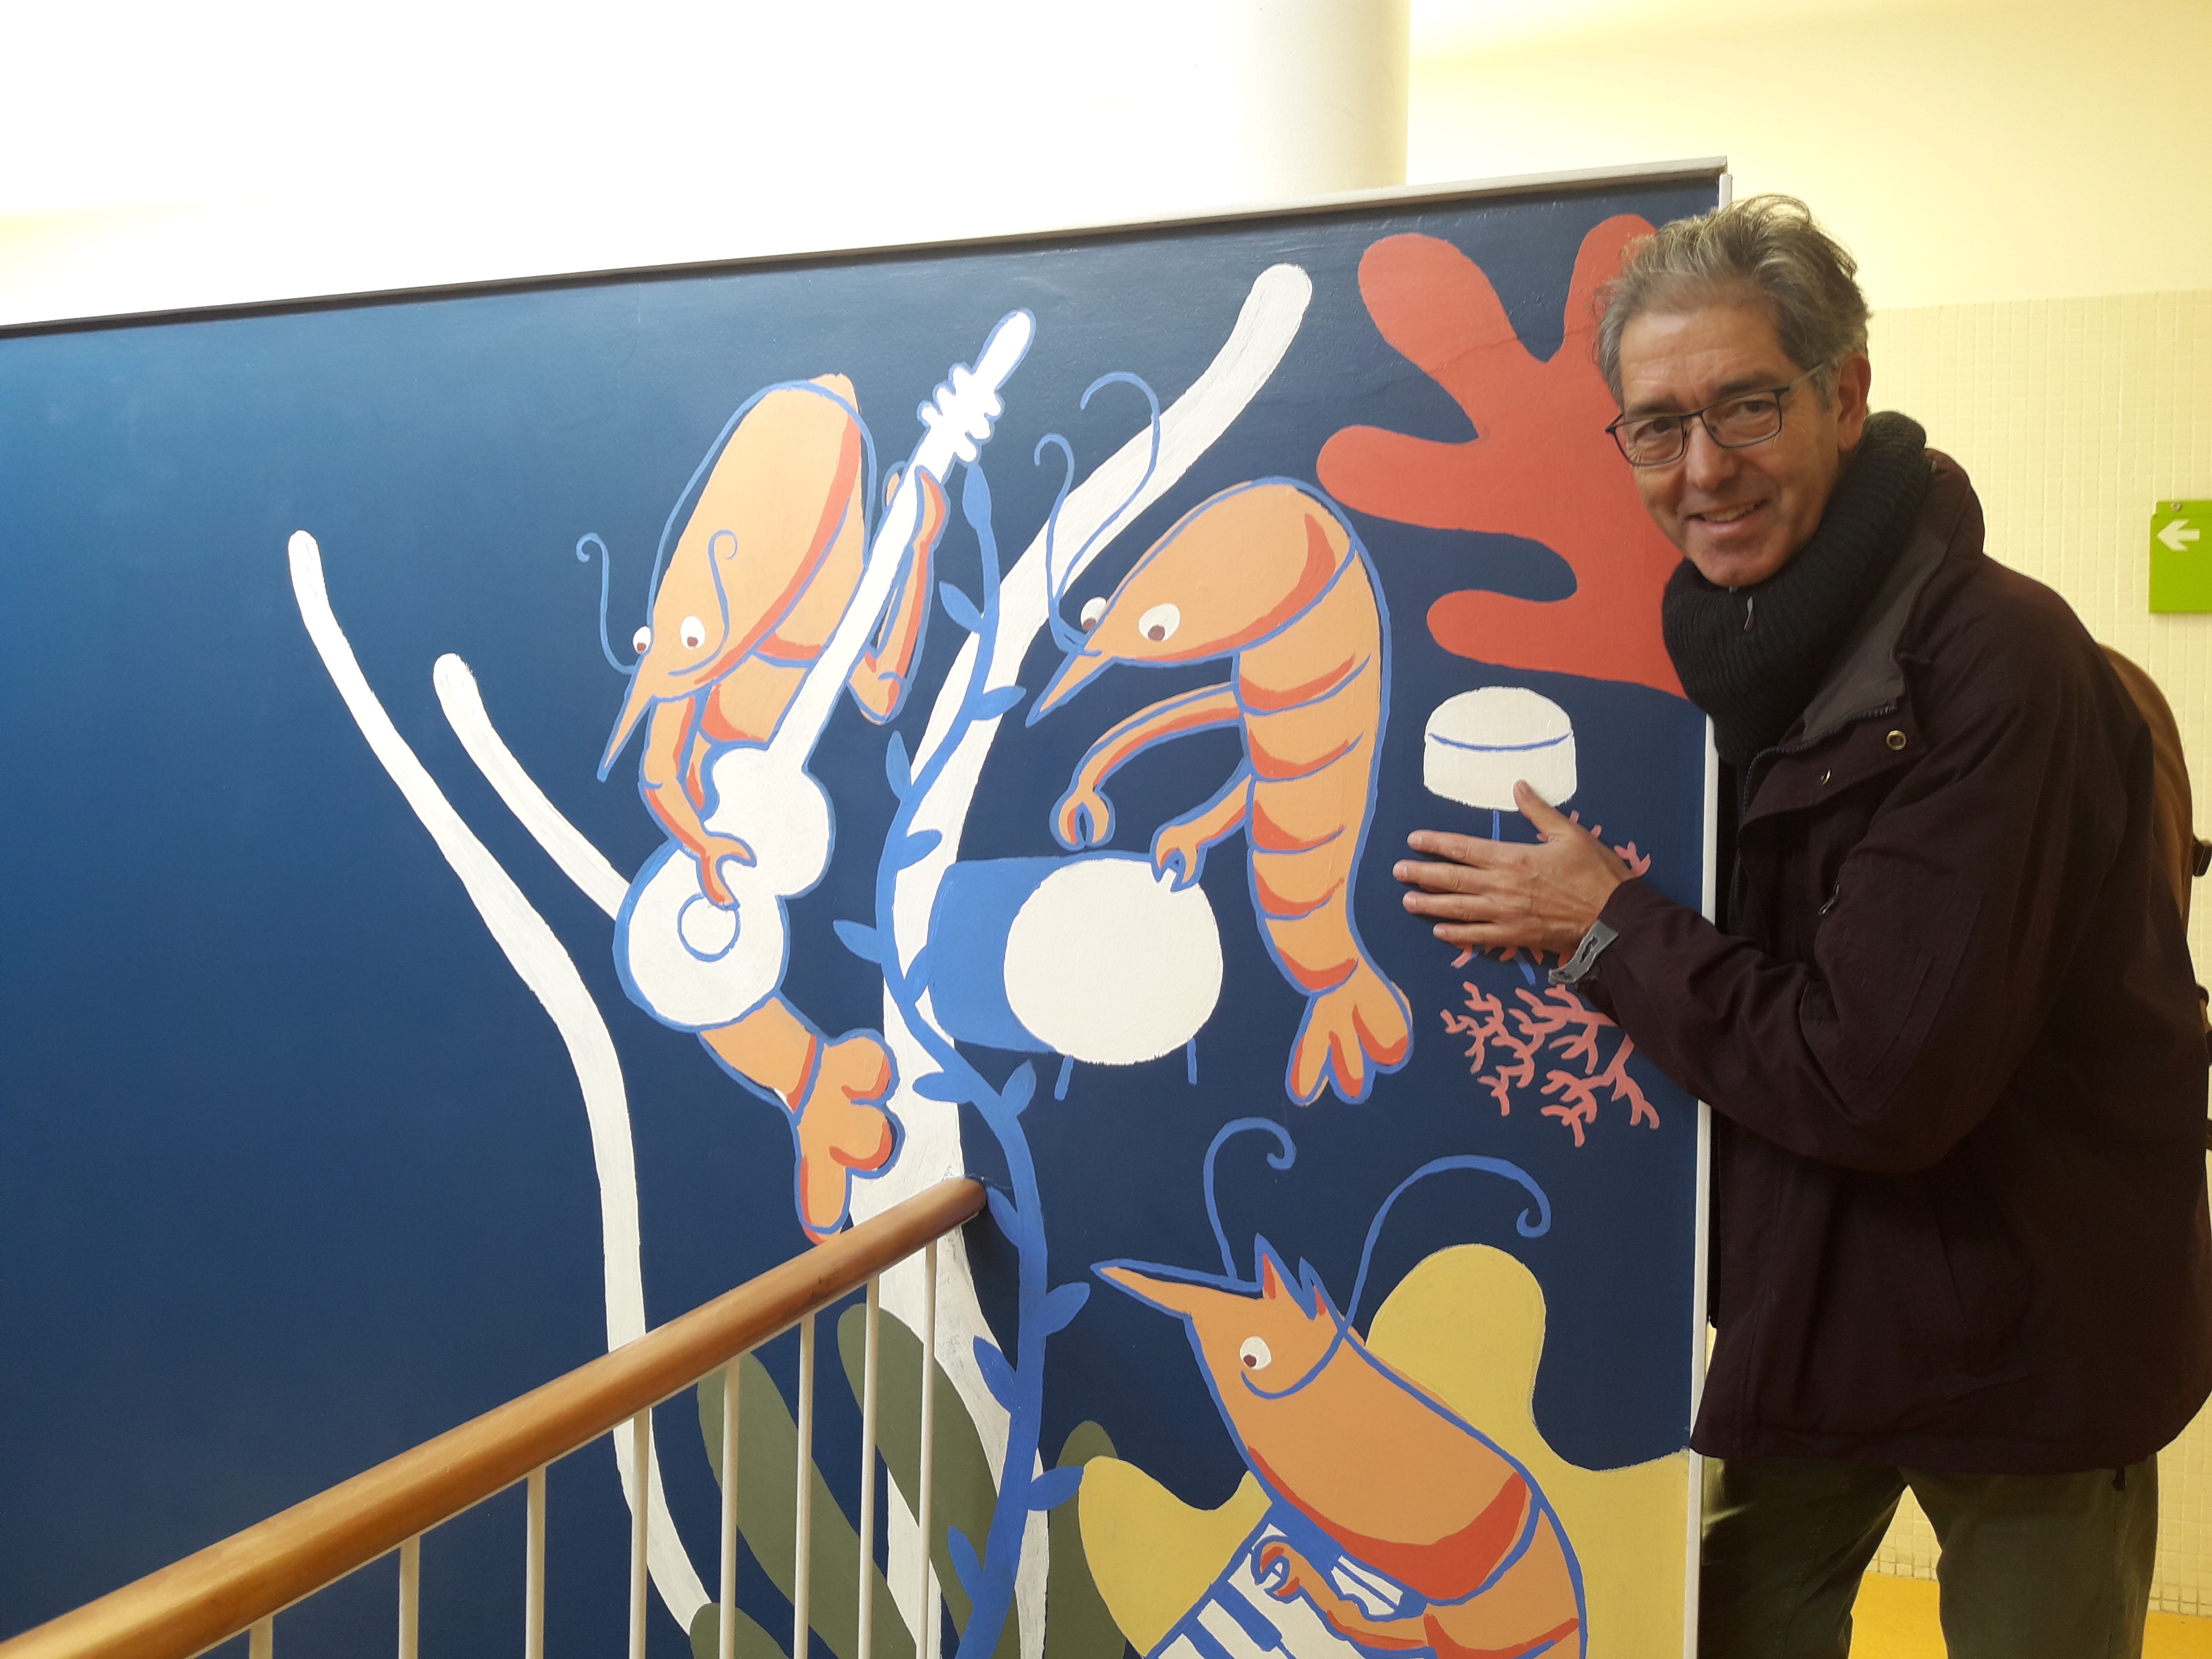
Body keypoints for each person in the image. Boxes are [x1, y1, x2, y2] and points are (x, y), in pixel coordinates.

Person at [1393, 195, 2212, 1658]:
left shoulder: (1997, 664)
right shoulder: (1725, 663)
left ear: (1845, 397)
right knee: (1724, 1621)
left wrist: (1606, 926)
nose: (1704, 468)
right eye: (1659, 426)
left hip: (2039, 1324)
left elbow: (1875, 1075)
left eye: (1748, 407)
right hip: (1819, 1297)